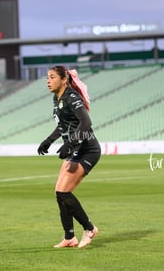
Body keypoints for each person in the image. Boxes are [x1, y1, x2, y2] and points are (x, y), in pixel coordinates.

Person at [38, 66, 101, 249]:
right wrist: (48, 141)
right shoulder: (56, 98)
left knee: (63, 192)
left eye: (52, 77)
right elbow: (62, 125)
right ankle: (69, 237)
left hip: (87, 149)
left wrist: (70, 143)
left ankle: (89, 229)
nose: (48, 81)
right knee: (59, 193)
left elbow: (86, 122)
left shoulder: (72, 97)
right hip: (76, 149)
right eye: (47, 77)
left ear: (64, 79)